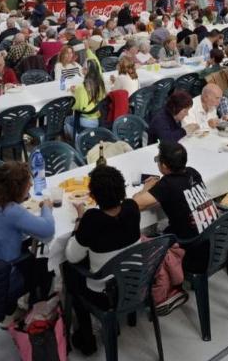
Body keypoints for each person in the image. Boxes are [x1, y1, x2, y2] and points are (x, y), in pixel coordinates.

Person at [65, 165, 140, 355]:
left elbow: (72, 256)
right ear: (122, 189)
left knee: (70, 274)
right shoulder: (132, 207)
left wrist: (79, 219)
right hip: (134, 281)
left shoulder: (91, 219)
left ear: (93, 195)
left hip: (104, 294)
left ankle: (87, 339)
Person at [0, 161, 55, 299]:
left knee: (28, 249)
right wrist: (46, 208)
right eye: (28, 183)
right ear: (17, 188)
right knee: (47, 267)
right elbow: (48, 230)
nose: (31, 185)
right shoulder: (12, 211)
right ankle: (34, 310)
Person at [134, 141, 218, 274]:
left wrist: (146, 188)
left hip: (189, 251)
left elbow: (135, 204)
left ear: (165, 166)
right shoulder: (192, 172)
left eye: (158, 160)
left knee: (145, 237)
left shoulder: (167, 185)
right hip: (210, 242)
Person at [65, 61, 106, 139]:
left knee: (67, 120)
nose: (82, 70)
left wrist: (74, 94)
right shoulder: (100, 84)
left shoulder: (82, 87)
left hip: (85, 120)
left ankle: (77, 140)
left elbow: (76, 107)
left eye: (83, 68)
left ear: (87, 71)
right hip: (97, 119)